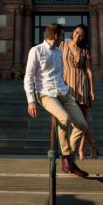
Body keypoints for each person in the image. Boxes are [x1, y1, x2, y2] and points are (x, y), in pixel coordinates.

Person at [24, 22, 90, 178]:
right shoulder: (36, 51)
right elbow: (28, 77)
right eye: (62, 35)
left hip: (63, 92)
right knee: (64, 118)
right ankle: (67, 158)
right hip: (46, 94)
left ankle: (68, 160)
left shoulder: (59, 52)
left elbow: (60, 74)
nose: (64, 38)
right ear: (56, 36)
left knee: (81, 125)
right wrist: (31, 100)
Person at [62, 24, 99, 159]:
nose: (78, 35)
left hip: (82, 85)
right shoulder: (62, 46)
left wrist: (92, 90)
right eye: (77, 32)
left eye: (82, 34)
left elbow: (88, 71)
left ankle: (81, 150)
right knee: (76, 120)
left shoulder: (84, 51)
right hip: (67, 85)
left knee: (83, 120)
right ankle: (93, 145)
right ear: (73, 32)